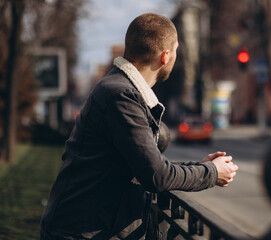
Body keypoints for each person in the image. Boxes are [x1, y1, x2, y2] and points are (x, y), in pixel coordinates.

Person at [40, 13, 238, 240]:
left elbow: (142, 161)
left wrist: (199, 166)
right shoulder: (121, 95)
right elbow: (156, 176)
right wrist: (212, 173)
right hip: (81, 233)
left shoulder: (116, 88)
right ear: (165, 56)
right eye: (175, 50)